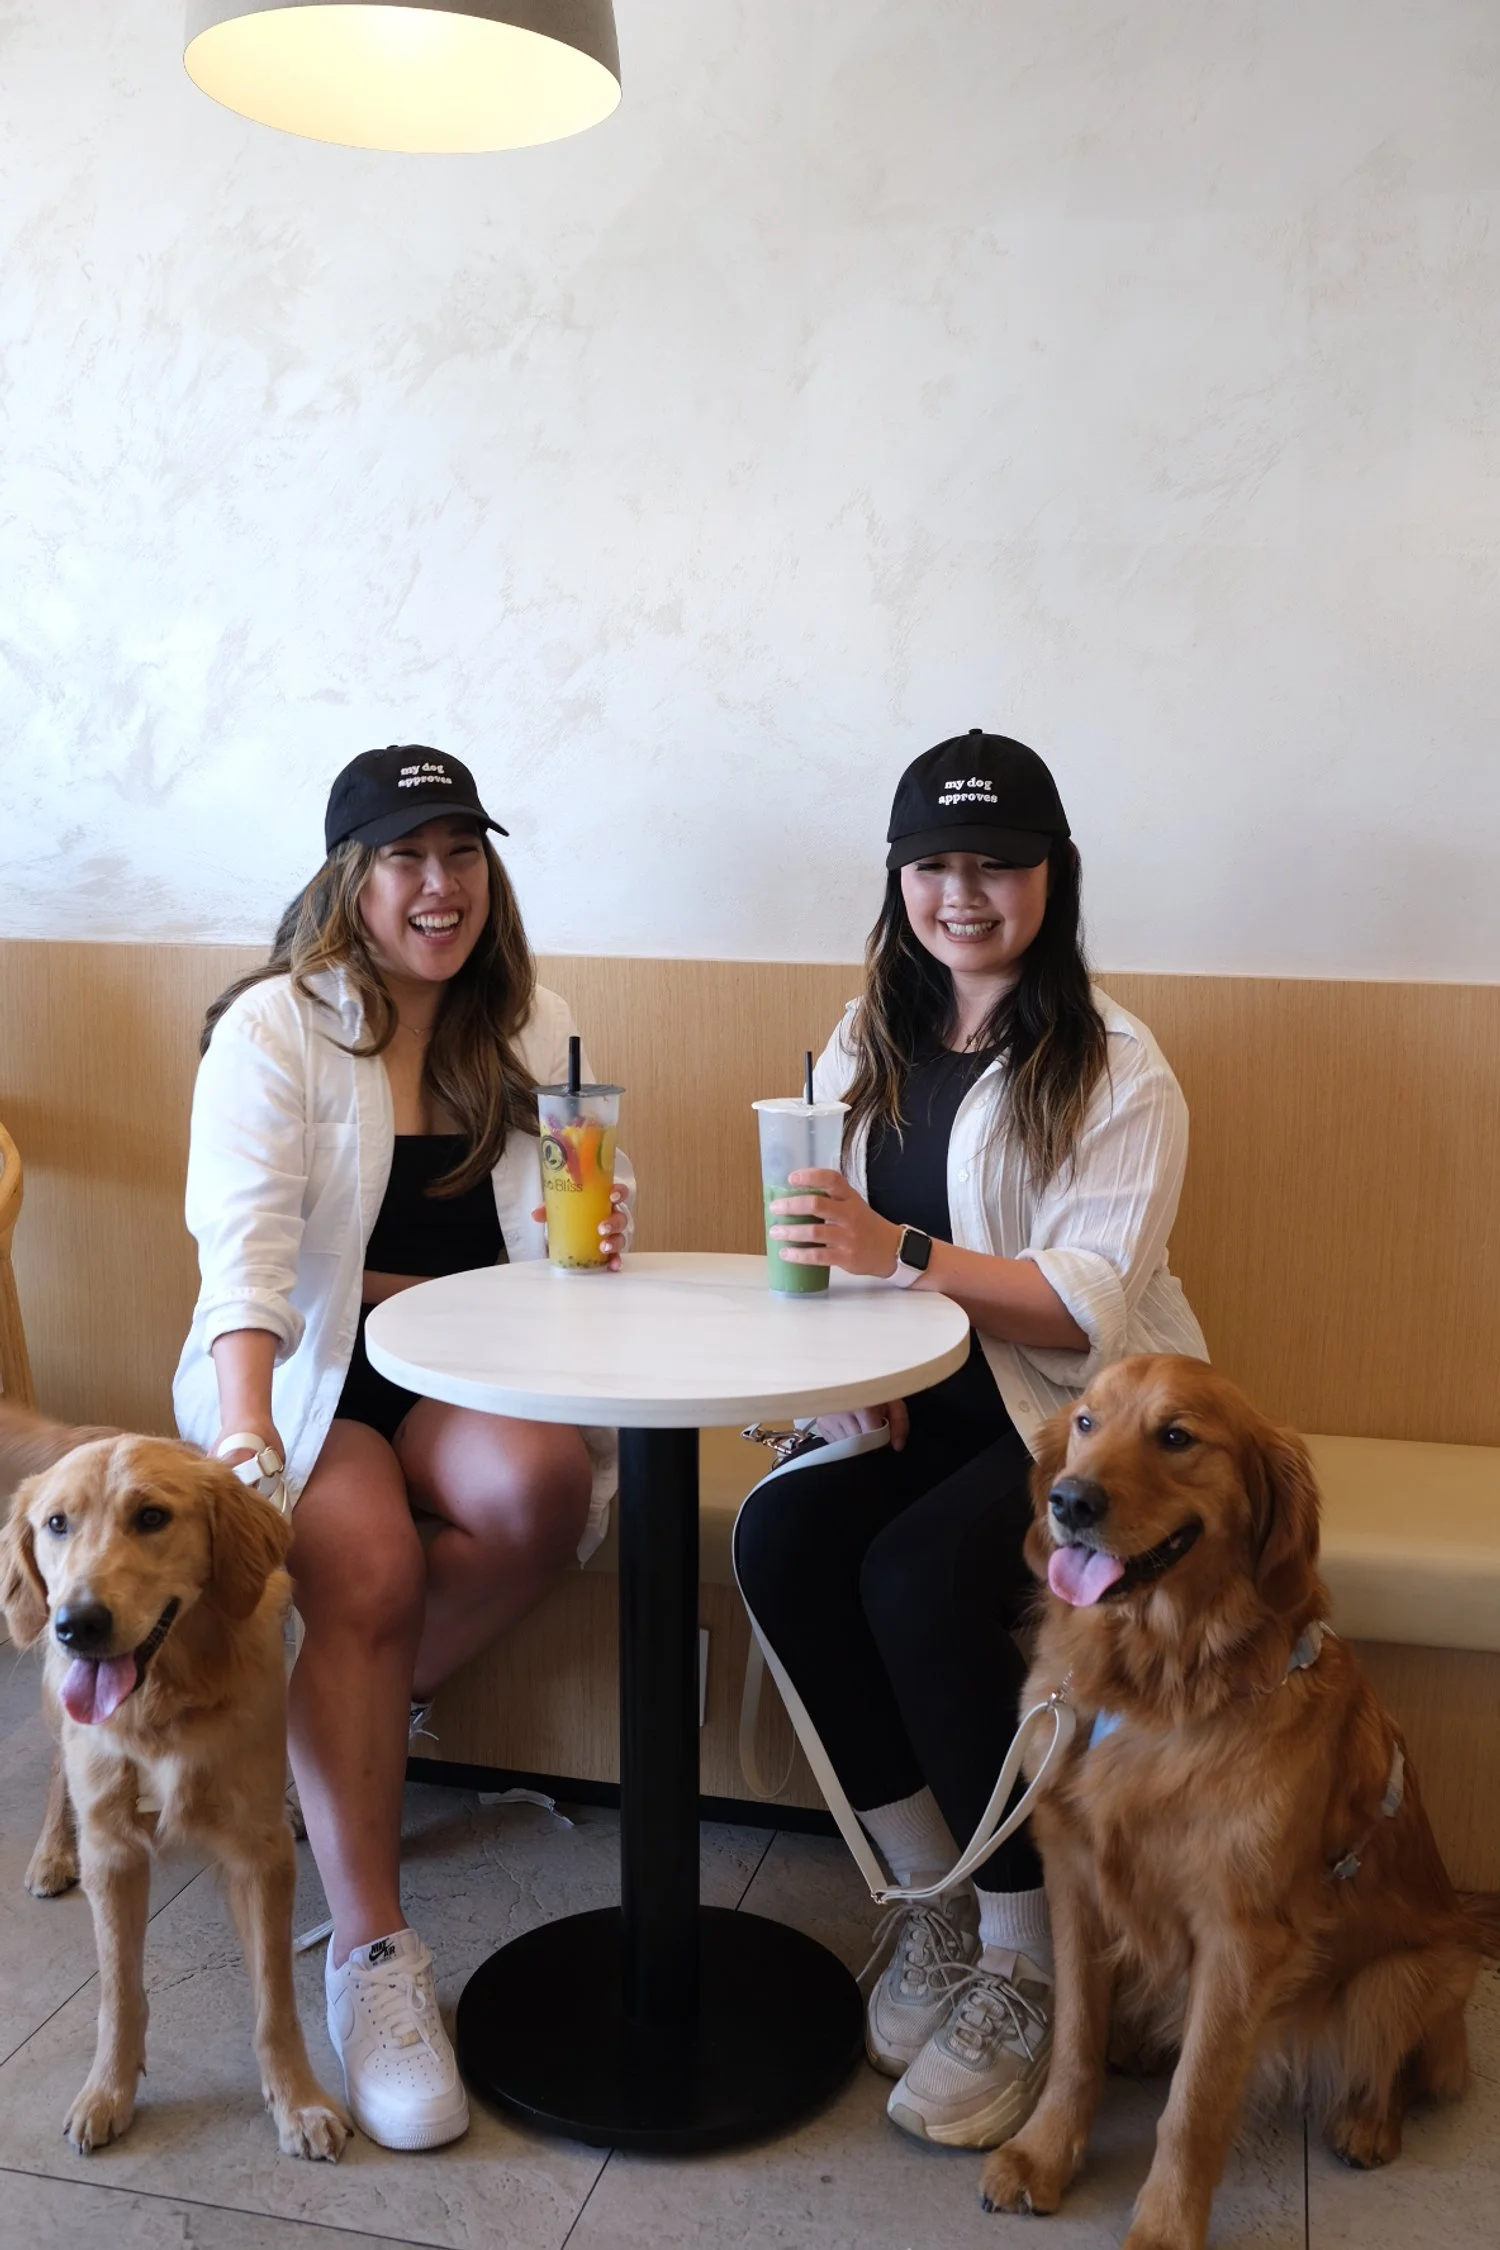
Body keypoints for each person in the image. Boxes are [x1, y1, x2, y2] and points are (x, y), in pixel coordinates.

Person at [734, 729, 1206, 2155]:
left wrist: (905, 1248)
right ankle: (933, 1892)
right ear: (898, 880)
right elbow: (822, 1232)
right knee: (780, 1535)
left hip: (1078, 1415)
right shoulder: (867, 1028)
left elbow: (1085, 1300)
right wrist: (836, 1371)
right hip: (913, 1389)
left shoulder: (1120, 1064)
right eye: (933, 864)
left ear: (1054, 877)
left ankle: (1024, 1955)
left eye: (998, 863)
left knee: (913, 1573)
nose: (964, 892)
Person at [173, 746, 630, 2153]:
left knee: (546, 1482)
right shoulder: (274, 1029)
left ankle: (347, 1713)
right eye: (405, 857)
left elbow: (566, 1227)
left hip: (457, 1357)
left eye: (462, 854)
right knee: (359, 1556)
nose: (440, 886)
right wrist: (248, 1437)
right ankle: (371, 1952)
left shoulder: (531, 1016)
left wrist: (599, 1244)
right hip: (304, 1373)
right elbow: (247, 1265)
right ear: (349, 880)